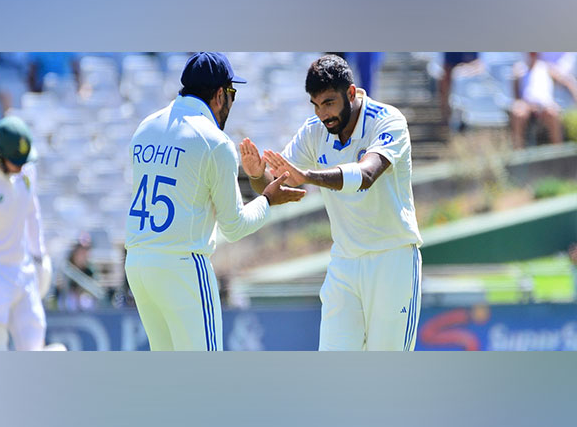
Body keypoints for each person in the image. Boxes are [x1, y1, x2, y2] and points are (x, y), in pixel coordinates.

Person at [124, 52, 305, 351]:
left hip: (139, 264)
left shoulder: (145, 127)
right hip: (183, 267)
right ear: (220, 94)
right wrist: (267, 200)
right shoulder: (215, 141)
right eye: (232, 93)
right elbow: (234, 227)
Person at [240, 54, 422, 351]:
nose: (323, 114)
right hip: (345, 264)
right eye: (316, 105)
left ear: (351, 93)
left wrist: (309, 176)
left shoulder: (389, 120)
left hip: (393, 259)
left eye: (329, 103)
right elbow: (276, 186)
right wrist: (257, 176)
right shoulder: (314, 131)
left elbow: (367, 174)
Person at [0, 116, 54, 350]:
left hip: (23, 271)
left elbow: (32, 214)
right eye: (15, 161)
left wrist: (39, 257)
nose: (20, 167)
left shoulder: (27, 171)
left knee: (34, 344)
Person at [510, 52, 577, 149]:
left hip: (545, 104)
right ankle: (518, 149)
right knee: (518, 113)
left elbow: (566, 82)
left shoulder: (547, 67)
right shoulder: (520, 69)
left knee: (552, 113)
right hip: (527, 104)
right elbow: (516, 94)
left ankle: (558, 148)